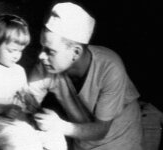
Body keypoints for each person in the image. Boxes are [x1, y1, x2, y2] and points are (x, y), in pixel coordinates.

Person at [29, 2, 143, 150]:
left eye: (50, 51)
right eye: (42, 47)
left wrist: (58, 126)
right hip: (83, 140)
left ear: (75, 52)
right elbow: (25, 104)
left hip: (120, 138)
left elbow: (101, 130)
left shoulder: (109, 67)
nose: (41, 56)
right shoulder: (45, 67)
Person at [0, 13, 67, 150]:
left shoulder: (19, 70)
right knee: (27, 141)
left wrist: (34, 107)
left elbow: (25, 95)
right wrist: (4, 108)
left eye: (20, 51)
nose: (16, 55)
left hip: (22, 121)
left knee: (55, 136)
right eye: (12, 50)